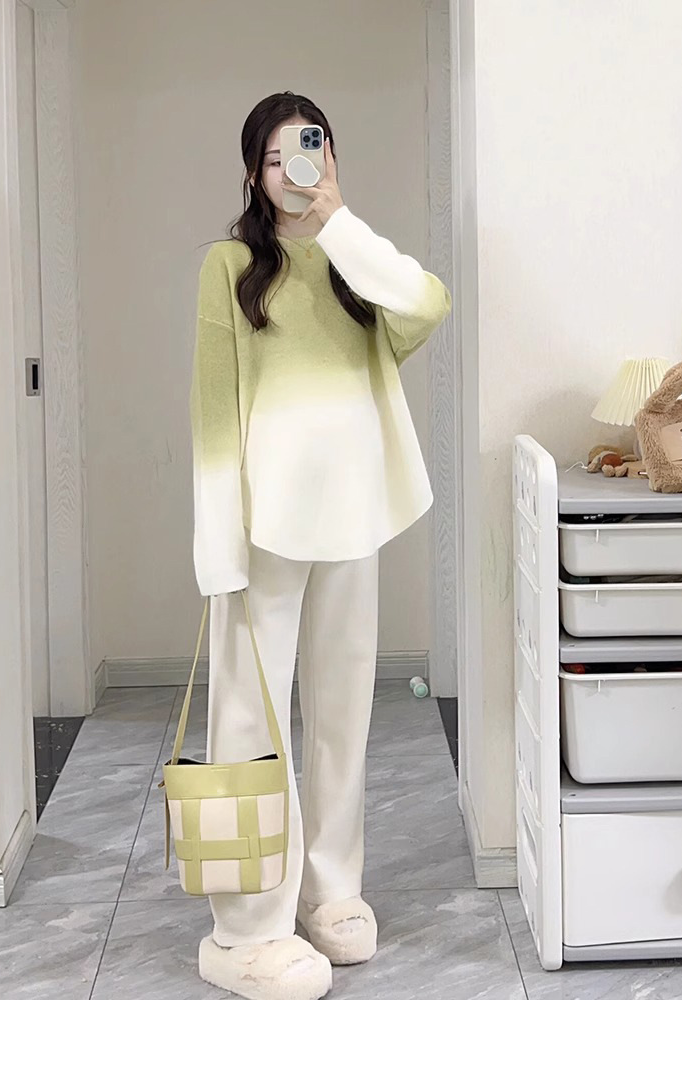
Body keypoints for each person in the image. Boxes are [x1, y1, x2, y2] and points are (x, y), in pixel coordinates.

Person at [189, 91, 452, 1000]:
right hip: (262, 526)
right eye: (277, 158)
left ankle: (331, 890)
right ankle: (244, 929)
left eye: (309, 150)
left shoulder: (354, 262)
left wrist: (337, 220)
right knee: (248, 724)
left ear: (330, 157)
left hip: (352, 517)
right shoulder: (230, 266)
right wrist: (217, 545)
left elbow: (426, 303)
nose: (294, 170)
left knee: (343, 715)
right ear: (252, 172)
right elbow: (212, 414)